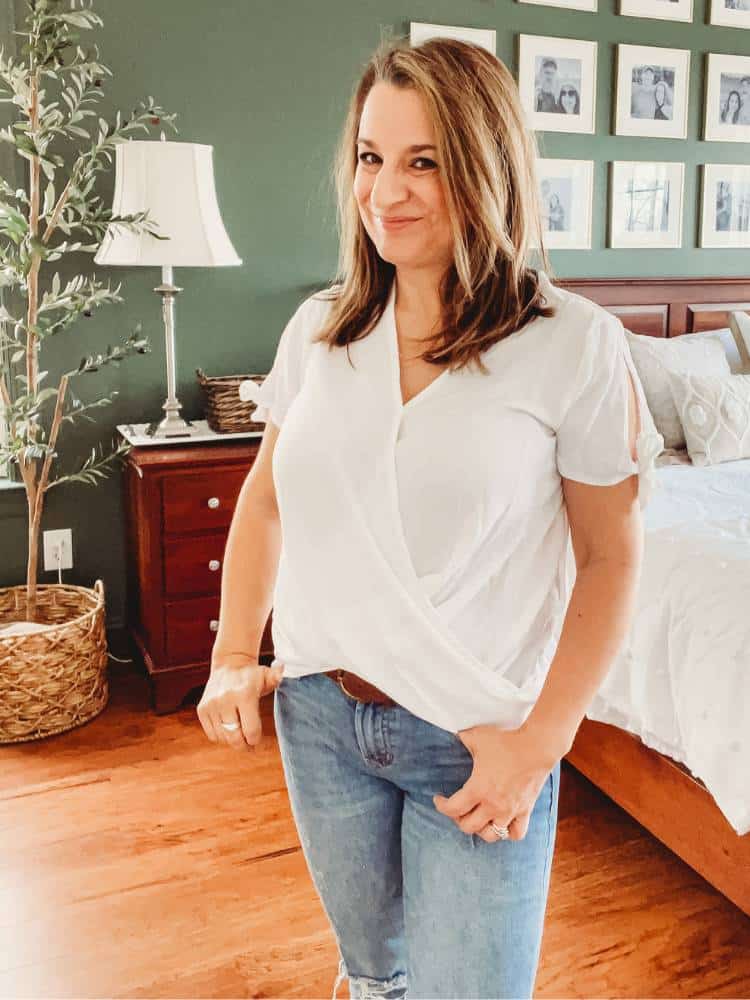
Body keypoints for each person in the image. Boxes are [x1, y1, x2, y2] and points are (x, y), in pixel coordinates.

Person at [196, 36, 664, 1000]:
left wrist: (541, 744)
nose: (388, 192)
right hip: (323, 717)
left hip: (476, 738)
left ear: (487, 168)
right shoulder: (322, 331)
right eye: (372, 158)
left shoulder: (574, 346)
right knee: (373, 978)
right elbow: (268, 497)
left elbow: (612, 560)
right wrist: (231, 654)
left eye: (426, 162)